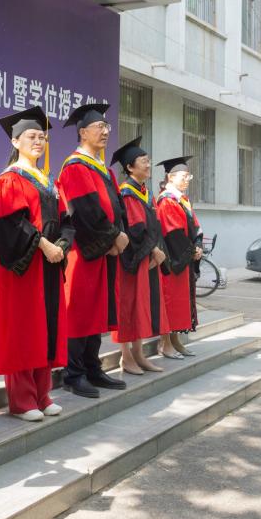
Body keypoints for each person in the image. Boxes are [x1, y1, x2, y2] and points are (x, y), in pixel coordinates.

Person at [0, 106, 74, 421]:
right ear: (15, 142)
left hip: (50, 264)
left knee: (46, 327)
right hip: (24, 267)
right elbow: (13, 224)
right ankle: (22, 399)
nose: (38, 141)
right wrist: (44, 245)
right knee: (25, 328)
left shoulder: (49, 182)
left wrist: (61, 246)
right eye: (31, 137)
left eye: (42, 137)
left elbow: (67, 221)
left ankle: (42, 394)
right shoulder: (8, 180)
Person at [57, 103, 129, 398]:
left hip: (102, 251)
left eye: (106, 127)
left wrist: (120, 236)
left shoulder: (104, 170)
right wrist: (112, 239)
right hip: (83, 251)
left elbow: (118, 208)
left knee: (97, 310)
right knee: (80, 311)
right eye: (99, 127)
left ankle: (92, 367)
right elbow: (83, 211)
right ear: (82, 132)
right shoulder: (75, 167)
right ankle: (73, 373)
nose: (105, 131)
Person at [108, 136, 168, 375]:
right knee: (127, 306)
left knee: (140, 305)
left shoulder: (145, 192)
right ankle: (125, 356)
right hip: (129, 259)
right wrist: (153, 249)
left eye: (148, 160)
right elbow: (134, 227)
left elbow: (153, 225)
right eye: (144, 161)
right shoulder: (127, 193)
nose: (148, 164)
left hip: (144, 257)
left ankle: (139, 354)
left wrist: (156, 249)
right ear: (130, 167)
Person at [155, 156, 203, 359]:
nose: (187, 180)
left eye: (188, 176)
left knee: (179, 302)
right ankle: (164, 343)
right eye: (184, 176)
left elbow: (196, 227)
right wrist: (191, 251)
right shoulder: (167, 200)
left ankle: (175, 341)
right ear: (171, 177)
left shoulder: (183, 199)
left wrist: (198, 246)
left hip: (183, 259)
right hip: (172, 260)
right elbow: (173, 233)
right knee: (170, 302)